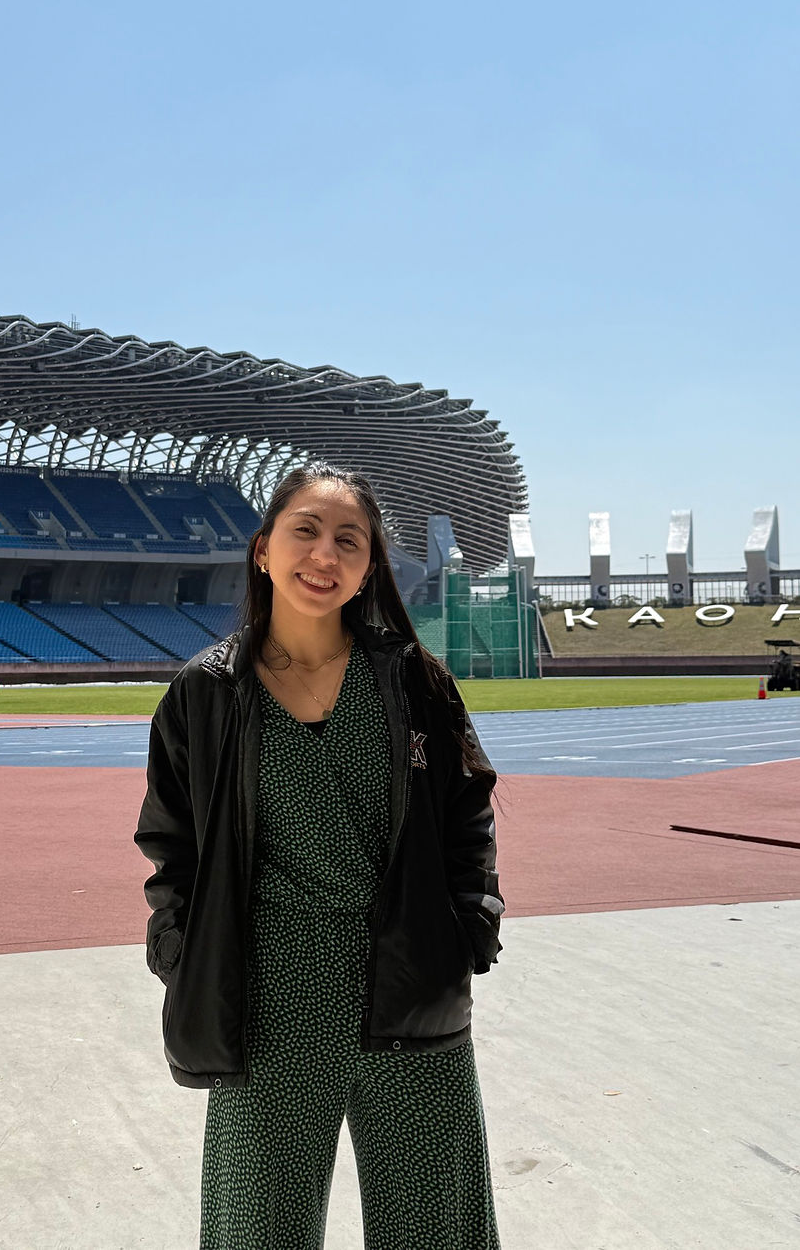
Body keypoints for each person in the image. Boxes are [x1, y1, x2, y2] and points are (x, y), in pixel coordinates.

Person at [135, 461, 504, 1250]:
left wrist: (469, 929)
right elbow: (171, 845)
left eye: (350, 540)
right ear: (264, 549)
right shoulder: (204, 694)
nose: (325, 555)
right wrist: (181, 952)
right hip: (267, 1000)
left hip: (408, 986)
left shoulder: (416, 684)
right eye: (306, 530)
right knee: (256, 1233)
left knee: (438, 1230)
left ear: (369, 567)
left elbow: (468, 813)